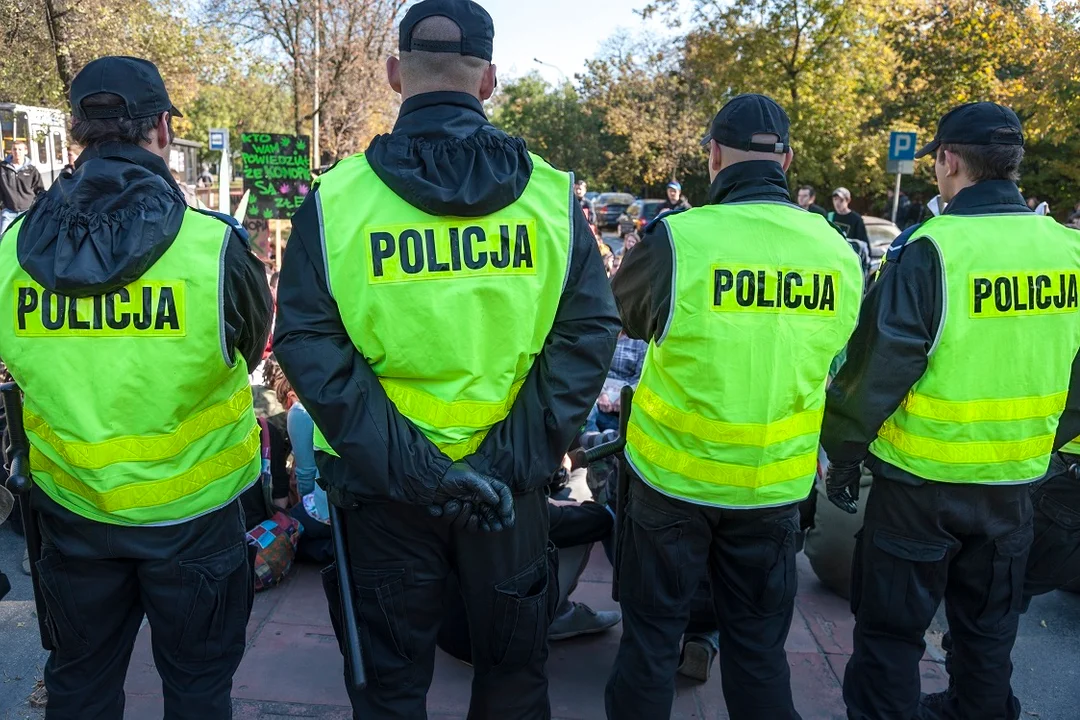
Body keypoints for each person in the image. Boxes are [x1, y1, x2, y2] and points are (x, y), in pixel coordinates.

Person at [272, 2, 620, 717]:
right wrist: (500, 464)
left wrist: (418, 469)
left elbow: (307, 342)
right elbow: (587, 335)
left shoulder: (337, 202)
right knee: (513, 683)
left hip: (382, 495)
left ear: (396, 73)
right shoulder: (552, 201)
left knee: (391, 691)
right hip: (509, 496)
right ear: (488, 81)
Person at [0, 56, 272, 719]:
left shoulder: (10, 251)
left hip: (73, 517)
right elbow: (252, 348)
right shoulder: (214, 248)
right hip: (197, 524)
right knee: (198, 693)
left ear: (74, 137)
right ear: (159, 131)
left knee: (79, 688)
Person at [605, 93, 862, 720]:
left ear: (714, 155)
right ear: (790, 160)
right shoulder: (838, 251)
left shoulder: (681, 238)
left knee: (649, 645)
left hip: (671, 481)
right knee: (758, 653)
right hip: (774, 488)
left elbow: (616, 319)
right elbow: (841, 360)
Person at [820, 101, 1080, 720]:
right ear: (1012, 165)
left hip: (919, 487)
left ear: (946, 161)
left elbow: (878, 369)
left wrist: (845, 454)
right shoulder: (1067, 251)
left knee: (889, 636)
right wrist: (1042, 439)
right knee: (988, 634)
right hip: (1015, 482)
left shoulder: (931, 249)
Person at [1, 140, 44, 234]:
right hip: (8, 211)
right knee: (2, 237)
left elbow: (40, 190)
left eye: (20, 149)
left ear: (25, 151)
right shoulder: (3, 168)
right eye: (14, 149)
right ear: (11, 151)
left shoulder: (32, 170)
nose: (17, 152)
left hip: (27, 212)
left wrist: (36, 207)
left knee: (27, 238)